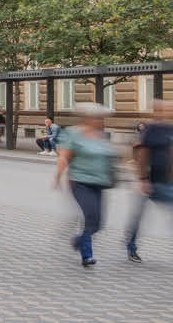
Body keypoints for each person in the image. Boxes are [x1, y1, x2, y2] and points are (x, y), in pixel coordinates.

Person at [53, 103, 118, 267]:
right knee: (90, 217)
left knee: (98, 223)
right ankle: (87, 256)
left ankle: (79, 241)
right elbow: (64, 156)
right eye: (98, 118)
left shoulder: (100, 135)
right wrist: (57, 177)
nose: (101, 121)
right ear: (88, 118)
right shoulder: (73, 133)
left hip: (100, 182)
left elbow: (108, 156)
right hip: (80, 182)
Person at [125, 99, 173, 263]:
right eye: (165, 109)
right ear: (156, 111)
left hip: (166, 182)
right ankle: (131, 247)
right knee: (138, 216)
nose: (168, 111)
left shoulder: (170, 129)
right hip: (149, 181)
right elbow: (142, 155)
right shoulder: (150, 129)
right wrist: (143, 179)